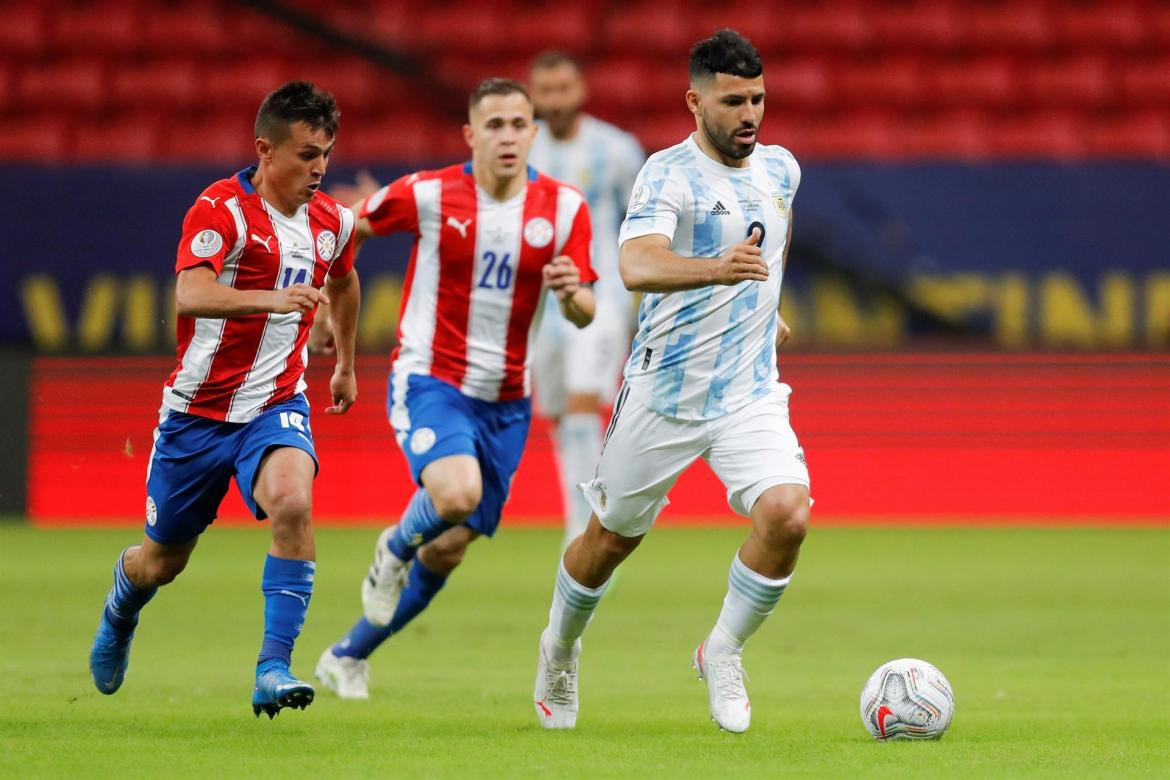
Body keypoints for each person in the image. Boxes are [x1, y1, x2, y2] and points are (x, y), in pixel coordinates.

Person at [532, 29, 808, 734]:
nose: (749, 114)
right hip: (664, 393)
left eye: (758, 99)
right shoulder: (667, 175)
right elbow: (638, 266)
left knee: (787, 514)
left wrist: (763, 312)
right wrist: (720, 271)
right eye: (732, 101)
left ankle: (722, 650)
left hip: (749, 392)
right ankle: (559, 649)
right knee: (606, 544)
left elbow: (765, 254)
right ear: (694, 101)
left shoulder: (782, 170)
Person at [314, 78, 596, 700]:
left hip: (507, 401)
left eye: (519, 124)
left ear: (533, 133)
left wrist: (572, 292)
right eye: (493, 125)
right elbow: (349, 229)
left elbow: (586, 310)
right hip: (432, 377)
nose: (508, 136)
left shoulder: (566, 208)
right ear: (471, 135)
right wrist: (326, 322)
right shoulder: (431, 192)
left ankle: (347, 655)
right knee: (457, 492)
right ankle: (391, 547)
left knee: (446, 549)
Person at [87, 81, 361, 719]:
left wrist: (345, 363)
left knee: (293, 502)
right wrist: (273, 299)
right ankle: (122, 601)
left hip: (274, 404)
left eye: (326, 152)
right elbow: (191, 293)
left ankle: (273, 667)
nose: (319, 167)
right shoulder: (219, 209)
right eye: (305, 154)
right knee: (162, 563)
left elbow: (344, 281)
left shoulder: (334, 223)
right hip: (195, 416)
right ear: (264, 150)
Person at [527, 51, 645, 546]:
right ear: (534, 96)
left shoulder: (616, 150)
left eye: (563, 88)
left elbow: (643, 226)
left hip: (602, 296)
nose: (555, 100)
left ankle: (585, 529)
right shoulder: (523, 151)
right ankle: (583, 510)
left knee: (581, 401)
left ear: (580, 91)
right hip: (538, 306)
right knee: (558, 412)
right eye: (546, 90)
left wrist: (639, 302)